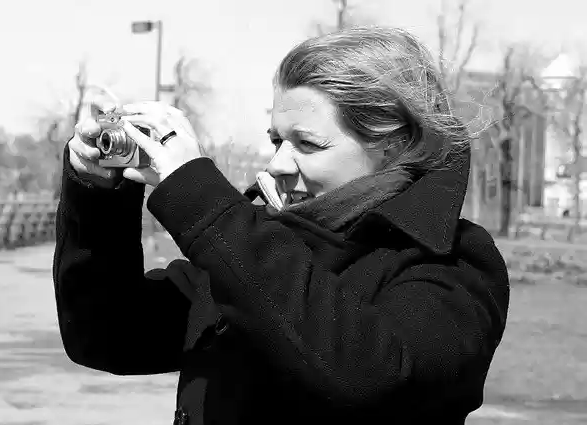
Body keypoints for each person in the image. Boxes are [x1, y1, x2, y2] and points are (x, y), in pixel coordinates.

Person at [53, 26, 510, 425]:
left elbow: (373, 378)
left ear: (393, 145)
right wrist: (97, 196)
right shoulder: (260, 243)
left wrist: (203, 203)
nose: (278, 165)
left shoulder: (452, 263)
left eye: (307, 144)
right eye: (277, 141)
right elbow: (107, 334)